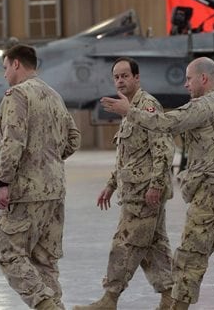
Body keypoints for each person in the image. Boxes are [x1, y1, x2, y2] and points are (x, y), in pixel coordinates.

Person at [100, 57, 214, 310]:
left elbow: (165, 124)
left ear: (204, 79)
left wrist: (129, 111)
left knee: (189, 256)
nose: (186, 85)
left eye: (189, 79)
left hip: (213, 192)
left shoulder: (204, 106)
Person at [74, 57, 176, 310]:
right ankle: (170, 296)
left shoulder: (147, 107)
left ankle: (110, 299)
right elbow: (127, 156)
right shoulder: (127, 109)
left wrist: (156, 186)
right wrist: (111, 185)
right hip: (135, 189)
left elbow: (163, 150)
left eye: (125, 76)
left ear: (137, 78)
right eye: (116, 77)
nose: (120, 81)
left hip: (144, 193)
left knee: (125, 243)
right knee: (154, 245)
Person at [0, 44, 81, 310]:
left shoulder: (17, 95)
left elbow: (13, 143)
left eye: (5, 67)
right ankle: (55, 305)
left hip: (26, 192)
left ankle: (47, 306)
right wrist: (47, 162)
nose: (5, 73)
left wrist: (4, 183)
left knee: (8, 253)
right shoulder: (53, 95)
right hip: (54, 189)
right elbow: (74, 139)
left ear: (16, 64)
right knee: (45, 259)